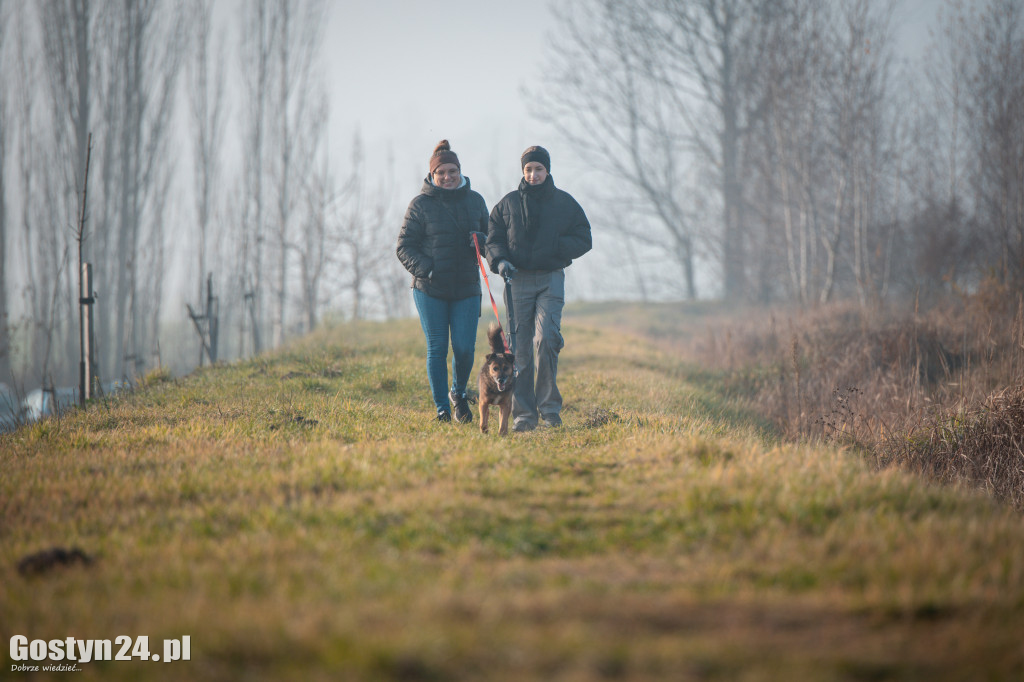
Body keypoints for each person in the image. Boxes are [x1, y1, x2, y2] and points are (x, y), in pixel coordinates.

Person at [486, 145, 592, 432]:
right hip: (516, 280)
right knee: (519, 351)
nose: (533, 174)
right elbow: (492, 238)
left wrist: (557, 248)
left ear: (548, 171)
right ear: (523, 172)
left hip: (550, 278)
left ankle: (550, 411)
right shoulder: (506, 204)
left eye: (539, 169)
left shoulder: (564, 203)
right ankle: (524, 416)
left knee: (545, 340)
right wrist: (500, 261)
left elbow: (584, 237)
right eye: (528, 169)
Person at [397, 140, 488, 423]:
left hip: (466, 288)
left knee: (463, 348)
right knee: (437, 347)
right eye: (441, 173)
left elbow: (492, 241)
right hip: (430, 288)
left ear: (459, 171)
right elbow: (404, 247)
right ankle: (442, 409)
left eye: (452, 171)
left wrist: (481, 241)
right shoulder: (420, 205)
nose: (447, 177)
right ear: (432, 176)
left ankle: (458, 393)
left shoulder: (476, 201)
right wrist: (428, 270)